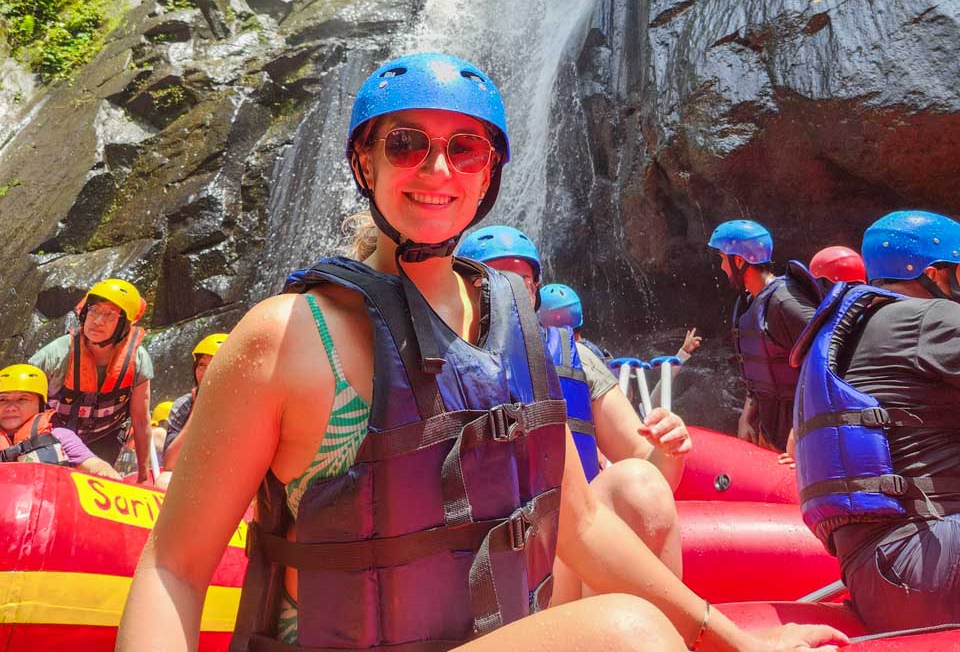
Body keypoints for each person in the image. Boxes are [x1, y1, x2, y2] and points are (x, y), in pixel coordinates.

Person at [118, 52, 844, 652]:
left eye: (464, 148)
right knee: (627, 633)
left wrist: (734, 639)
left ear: (490, 172)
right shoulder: (285, 337)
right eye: (406, 143)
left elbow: (583, 525)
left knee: (633, 503)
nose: (437, 169)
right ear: (365, 163)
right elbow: (174, 566)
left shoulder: (514, 325)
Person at [460, 226, 691, 587]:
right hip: (476, 569)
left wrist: (669, 449)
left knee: (639, 483)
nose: (509, 292)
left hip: (567, 557)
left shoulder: (578, 359)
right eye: (492, 280)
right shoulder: (438, 367)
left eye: (521, 280)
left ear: (534, 291)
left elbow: (649, 467)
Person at [791, 210, 960, 634]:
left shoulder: (853, 330)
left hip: (876, 579)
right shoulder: (930, 319)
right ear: (935, 274)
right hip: (926, 568)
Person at [709, 220, 819, 452]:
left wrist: (799, 431)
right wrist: (746, 418)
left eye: (722, 258)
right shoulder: (748, 301)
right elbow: (758, 376)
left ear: (739, 261)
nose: (721, 267)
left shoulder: (785, 303)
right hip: (770, 430)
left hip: (800, 438)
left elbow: (826, 367)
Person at [29, 277, 153, 481]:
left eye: (110, 315)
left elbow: (140, 420)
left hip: (104, 437)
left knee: (103, 475)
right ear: (84, 312)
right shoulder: (55, 355)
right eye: (94, 310)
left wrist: (143, 475)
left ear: (124, 325)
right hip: (56, 435)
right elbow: (16, 399)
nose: (97, 321)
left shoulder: (139, 360)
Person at [0, 363, 121, 478]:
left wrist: (104, 469)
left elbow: (93, 464)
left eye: (22, 399)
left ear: (41, 405)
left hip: (44, 497)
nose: (11, 407)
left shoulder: (60, 436)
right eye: (3, 400)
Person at [162, 334, 229, 474]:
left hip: (229, 477)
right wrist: (196, 411)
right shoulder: (183, 405)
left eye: (215, 364)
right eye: (202, 365)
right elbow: (170, 463)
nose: (205, 373)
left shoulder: (246, 405)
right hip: (192, 476)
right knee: (164, 480)